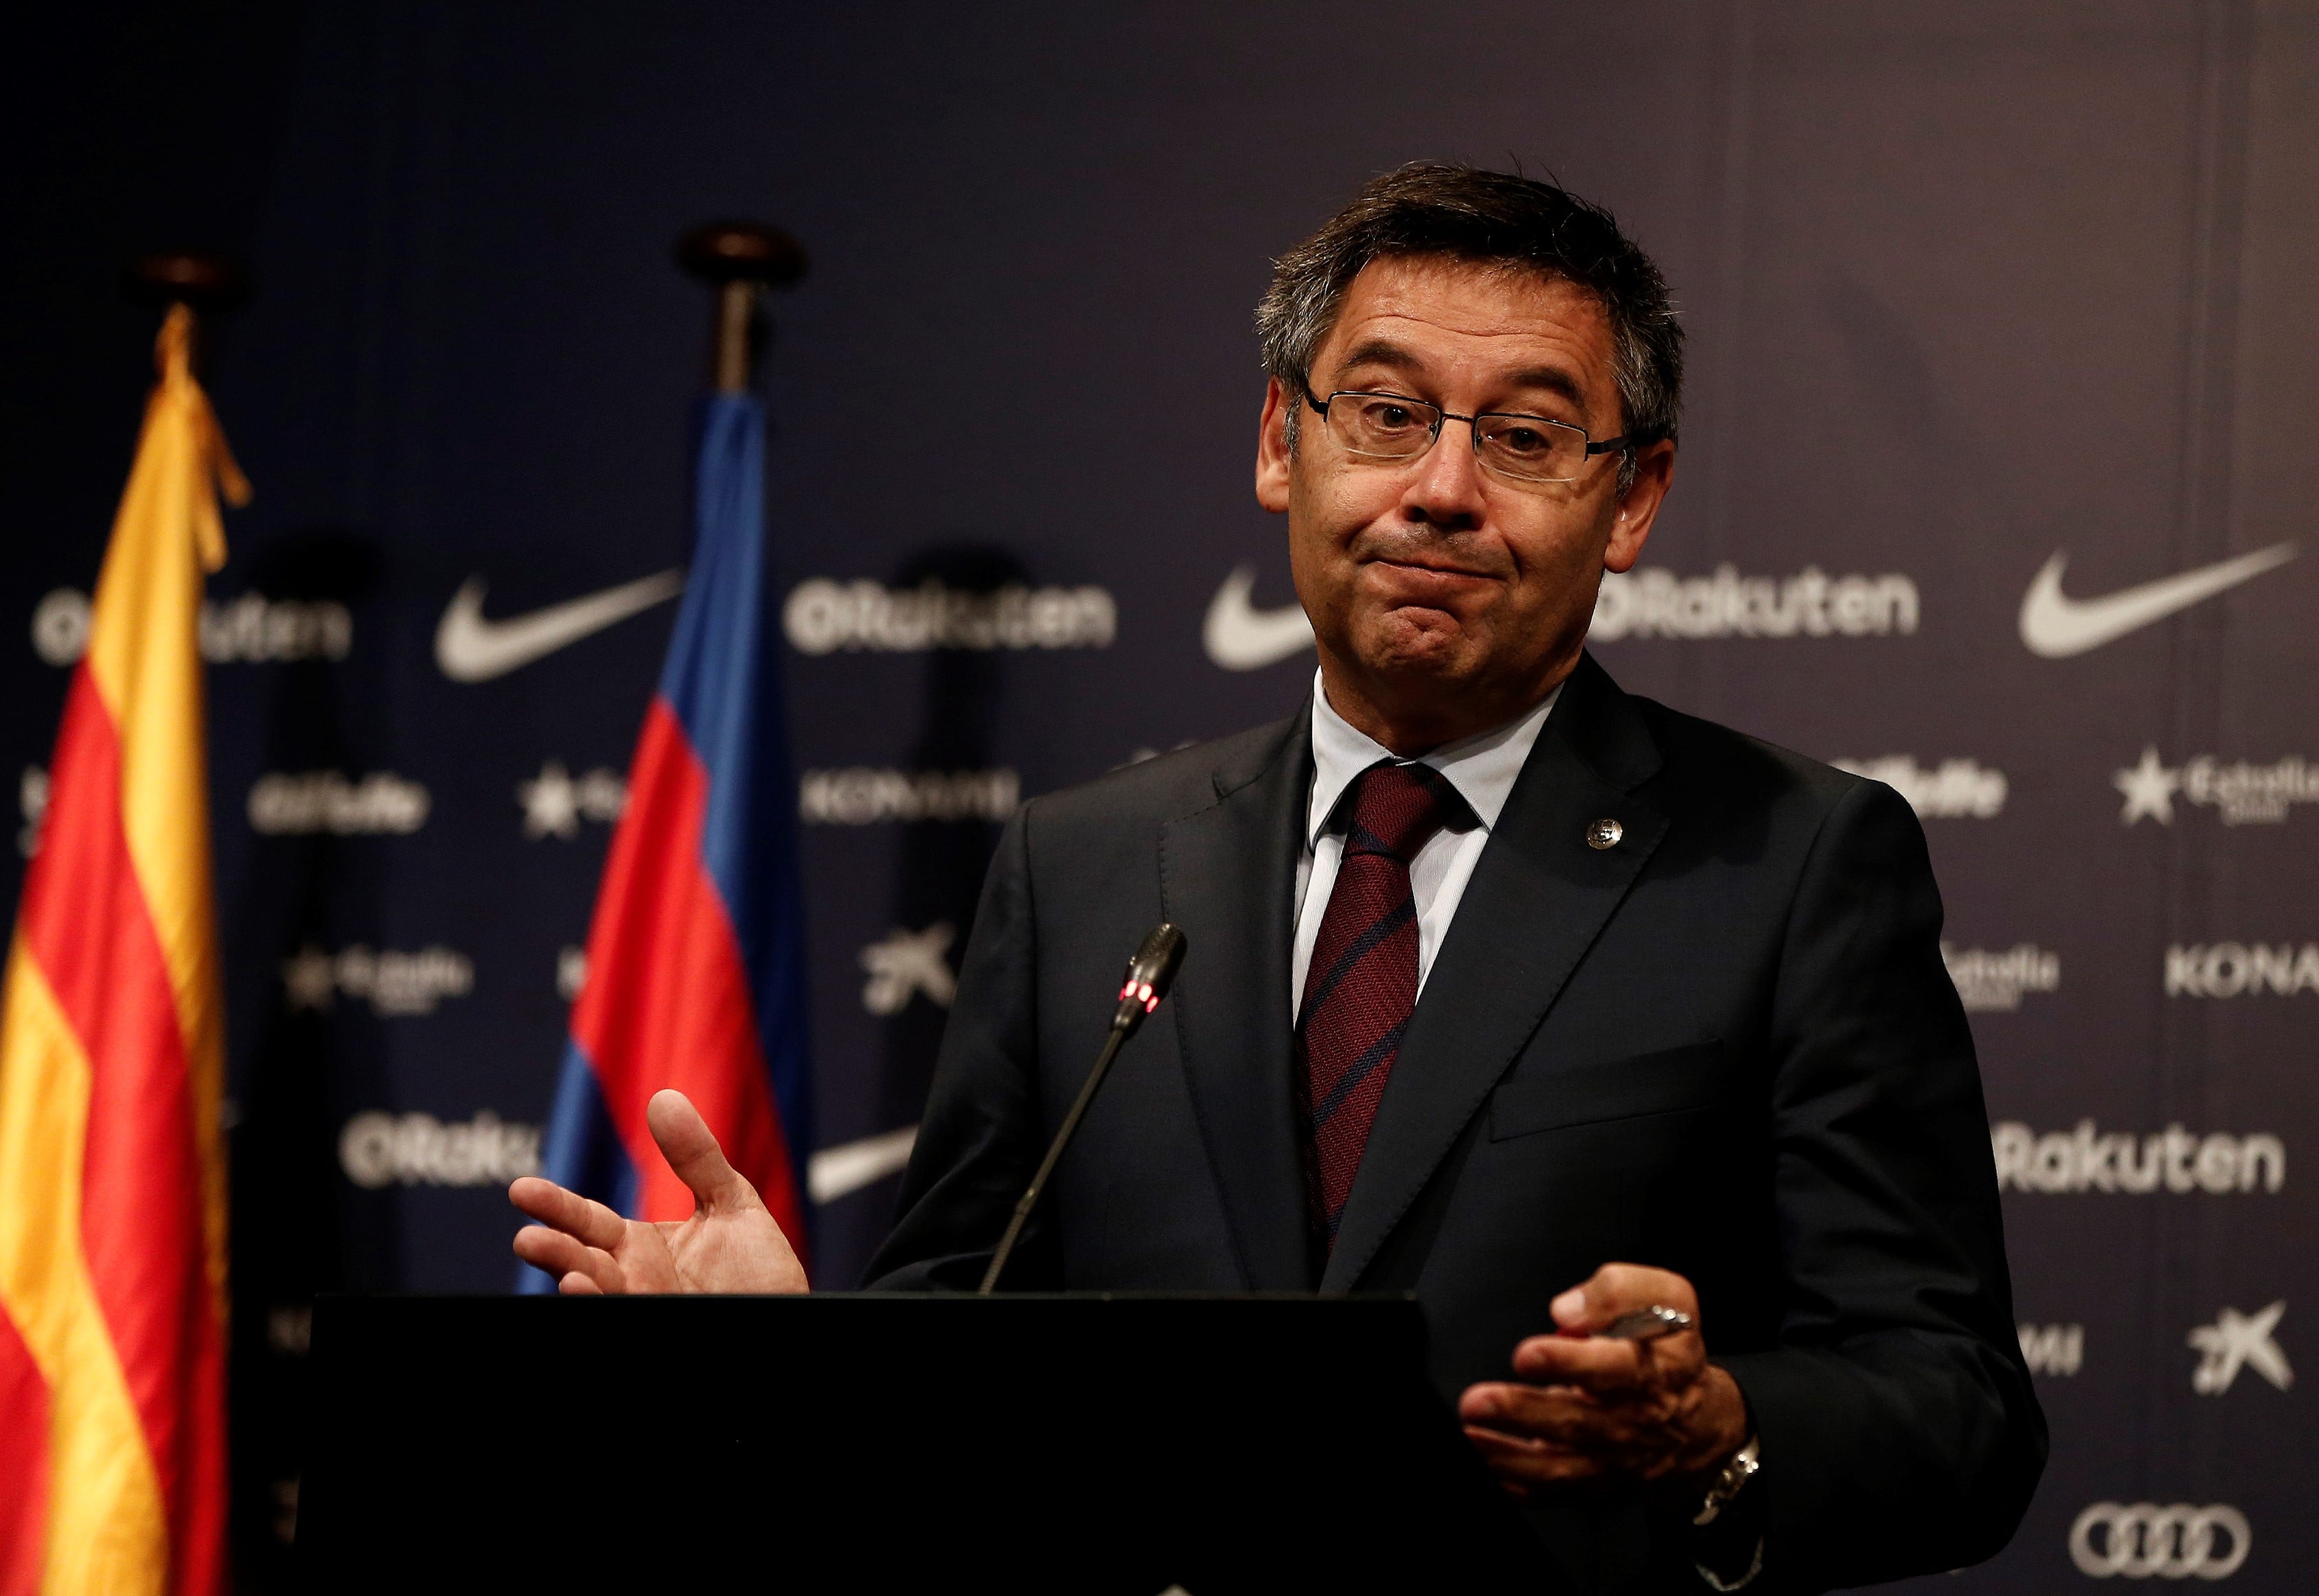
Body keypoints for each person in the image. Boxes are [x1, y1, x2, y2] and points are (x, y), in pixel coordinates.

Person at [512, 164, 2047, 1593]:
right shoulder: (1085, 863)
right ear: (1278, 441)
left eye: (1522, 436)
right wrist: (790, 1364)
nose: (1441, 489)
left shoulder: (1788, 858)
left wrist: (1713, 1429)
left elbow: (1956, 1410)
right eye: (1383, 412)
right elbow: (963, 1367)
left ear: (1631, 498)